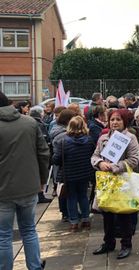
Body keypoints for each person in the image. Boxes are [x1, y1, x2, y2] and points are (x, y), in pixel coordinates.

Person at [0, 91, 50, 270]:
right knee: (29, 230)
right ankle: (35, 266)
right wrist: (43, 180)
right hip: (29, 186)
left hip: (3, 192)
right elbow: (43, 153)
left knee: (3, 235)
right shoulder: (30, 123)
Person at [91, 109, 139, 260]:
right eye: (112, 119)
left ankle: (126, 244)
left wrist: (115, 166)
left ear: (124, 121)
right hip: (106, 182)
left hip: (122, 182)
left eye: (118, 119)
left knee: (123, 214)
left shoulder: (130, 138)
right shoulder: (103, 138)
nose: (115, 122)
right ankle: (109, 242)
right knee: (107, 215)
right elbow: (94, 155)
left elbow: (134, 159)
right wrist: (100, 163)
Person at [52, 116, 95, 232]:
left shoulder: (63, 142)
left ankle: (74, 222)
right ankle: (86, 220)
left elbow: (56, 160)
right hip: (85, 173)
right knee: (83, 195)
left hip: (69, 175)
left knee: (71, 197)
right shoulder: (89, 140)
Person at [29, 107, 53, 204]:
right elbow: (44, 138)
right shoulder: (38, 124)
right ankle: (40, 195)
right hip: (38, 153)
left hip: (32, 152)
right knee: (40, 173)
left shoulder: (31, 123)